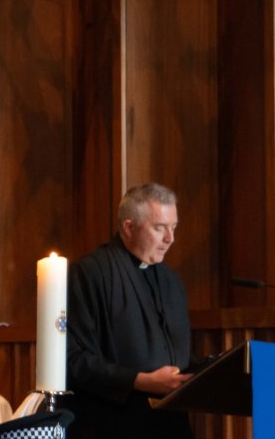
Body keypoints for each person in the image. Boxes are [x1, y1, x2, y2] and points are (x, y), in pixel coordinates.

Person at [66, 182, 192, 438]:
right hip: (114, 423)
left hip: (171, 423)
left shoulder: (172, 281)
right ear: (128, 227)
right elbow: (74, 360)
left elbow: (179, 354)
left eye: (173, 227)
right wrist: (139, 380)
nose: (170, 238)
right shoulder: (91, 273)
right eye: (160, 228)